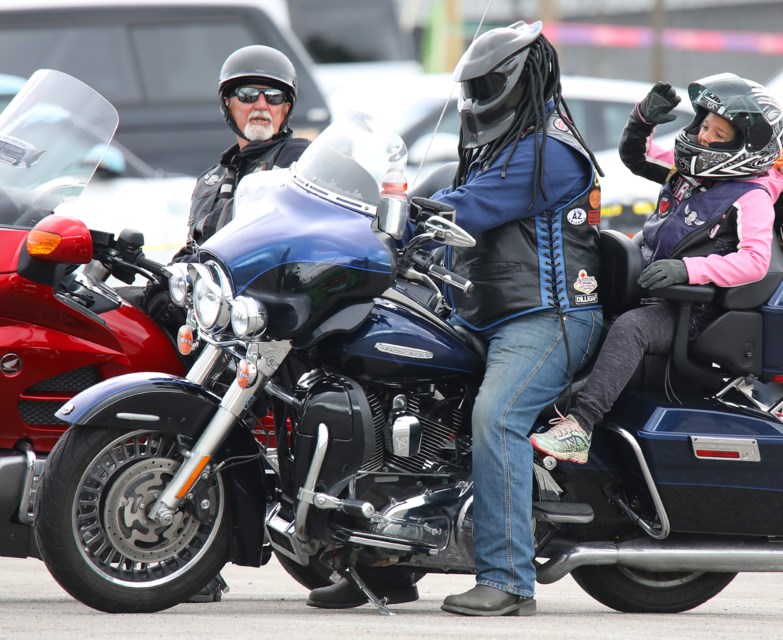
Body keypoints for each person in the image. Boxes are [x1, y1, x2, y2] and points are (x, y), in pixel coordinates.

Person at [306, 20, 605, 617]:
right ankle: (382, 563)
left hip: (548, 318)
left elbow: (469, 207)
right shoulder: (504, 142)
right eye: (469, 84)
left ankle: (510, 580)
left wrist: (398, 216)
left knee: (497, 418)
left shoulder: (550, 151)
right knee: (384, 385)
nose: (473, 97)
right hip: (480, 313)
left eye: (486, 83)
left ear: (518, 80)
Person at [530, 73, 783, 464]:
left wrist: (690, 271)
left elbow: (755, 261)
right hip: (648, 289)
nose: (704, 138)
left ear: (747, 146)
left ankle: (580, 427)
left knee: (630, 329)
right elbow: (637, 156)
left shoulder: (751, 196)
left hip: (690, 309)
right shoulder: (689, 173)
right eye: (705, 126)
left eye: (719, 135)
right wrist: (643, 119)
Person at [134, 44, 309, 331]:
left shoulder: (298, 160)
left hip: (255, 316)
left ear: (286, 108)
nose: (262, 105)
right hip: (205, 309)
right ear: (228, 102)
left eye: (274, 97)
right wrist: (165, 276)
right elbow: (194, 245)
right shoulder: (210, 179)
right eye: (248, 95)